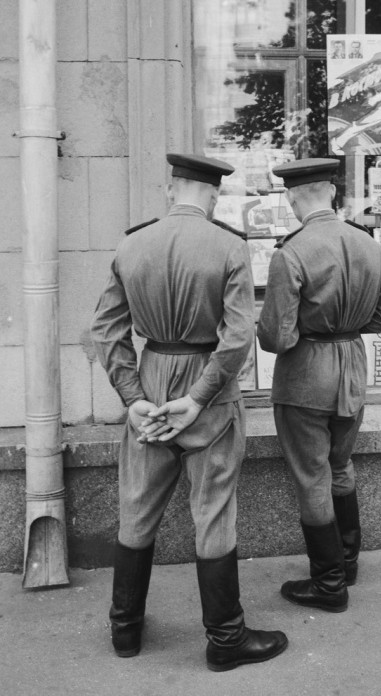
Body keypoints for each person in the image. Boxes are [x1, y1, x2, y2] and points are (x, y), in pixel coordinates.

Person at [90, 153, 287, 671]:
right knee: (214, 511)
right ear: (214, 194)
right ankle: (225, 639)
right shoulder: (228, 246)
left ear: (170, 188)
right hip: (209, 392)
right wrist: (198, 397)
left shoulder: (132, 244)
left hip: (151, 381)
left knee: (136, 508)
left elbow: (108, 332)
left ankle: (125, 630)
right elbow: (238, 336)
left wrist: (133, 399)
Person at [256, 158, 381, 613]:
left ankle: (329, 584)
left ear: (294, 197)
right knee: (340, 466)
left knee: (312, 475)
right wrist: (346, 328)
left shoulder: (291, 251)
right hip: (352, 368)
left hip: (306, 375)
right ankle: (348, 562)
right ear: (332, 194)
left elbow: (276, 337)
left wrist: (297, 332)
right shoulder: (369, 244)